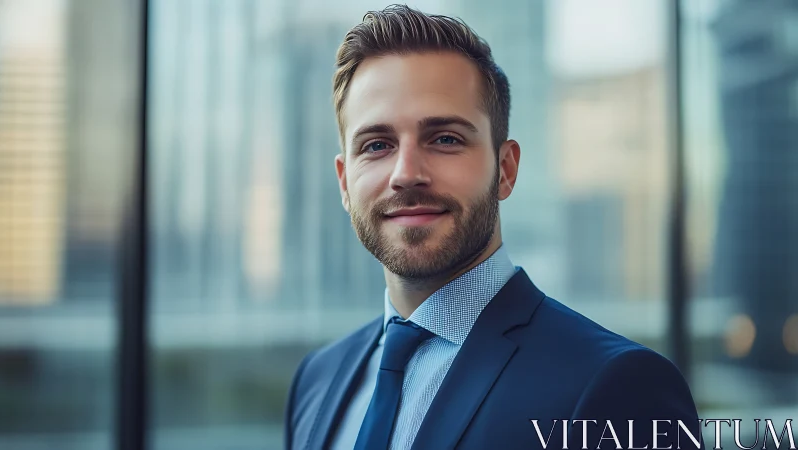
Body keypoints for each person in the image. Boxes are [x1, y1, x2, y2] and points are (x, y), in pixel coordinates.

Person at [284, 5, 704, 450]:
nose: (406, 173)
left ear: (505, 169)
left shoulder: (619, 387)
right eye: (377, 145)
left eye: (445, 139)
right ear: (345, 182)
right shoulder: (316, 381)